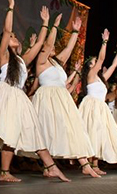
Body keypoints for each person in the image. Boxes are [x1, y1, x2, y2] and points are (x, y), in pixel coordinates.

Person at [0, 0, 70, 182]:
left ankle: (46, 167)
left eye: (14, 36)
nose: (14, 37)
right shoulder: (4, 56)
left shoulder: (23, 60)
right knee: (9, 133)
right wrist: (11, 7)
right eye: (13, 37)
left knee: (32, 131)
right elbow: (6, 31)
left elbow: (39, 43)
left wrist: (45, 23)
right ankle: (9, 172)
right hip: (7, 95)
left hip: (19, 98)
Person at [31, 16, 100, 177]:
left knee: (73, 129)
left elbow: (68, 50)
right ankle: (48, 167)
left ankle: (85, 165)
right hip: (48, 99)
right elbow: (48, 44)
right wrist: (54, 26)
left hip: (62, 99)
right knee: (47, 132)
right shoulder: (41, 61)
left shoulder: (56, 62)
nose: (52, 48)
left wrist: (75, 31)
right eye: (50, 47)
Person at [78, 30, 117, 175]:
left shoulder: (100, 77)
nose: (96, 63)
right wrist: (104, 42)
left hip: (101, 107)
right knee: (94, 133)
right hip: (92, 106)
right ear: (90, 66)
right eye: (93, 62)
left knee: (107, 134)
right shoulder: (91, 75)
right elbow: (102, 59)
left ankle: (116, 165)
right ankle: (92, 165)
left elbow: (113, 66)